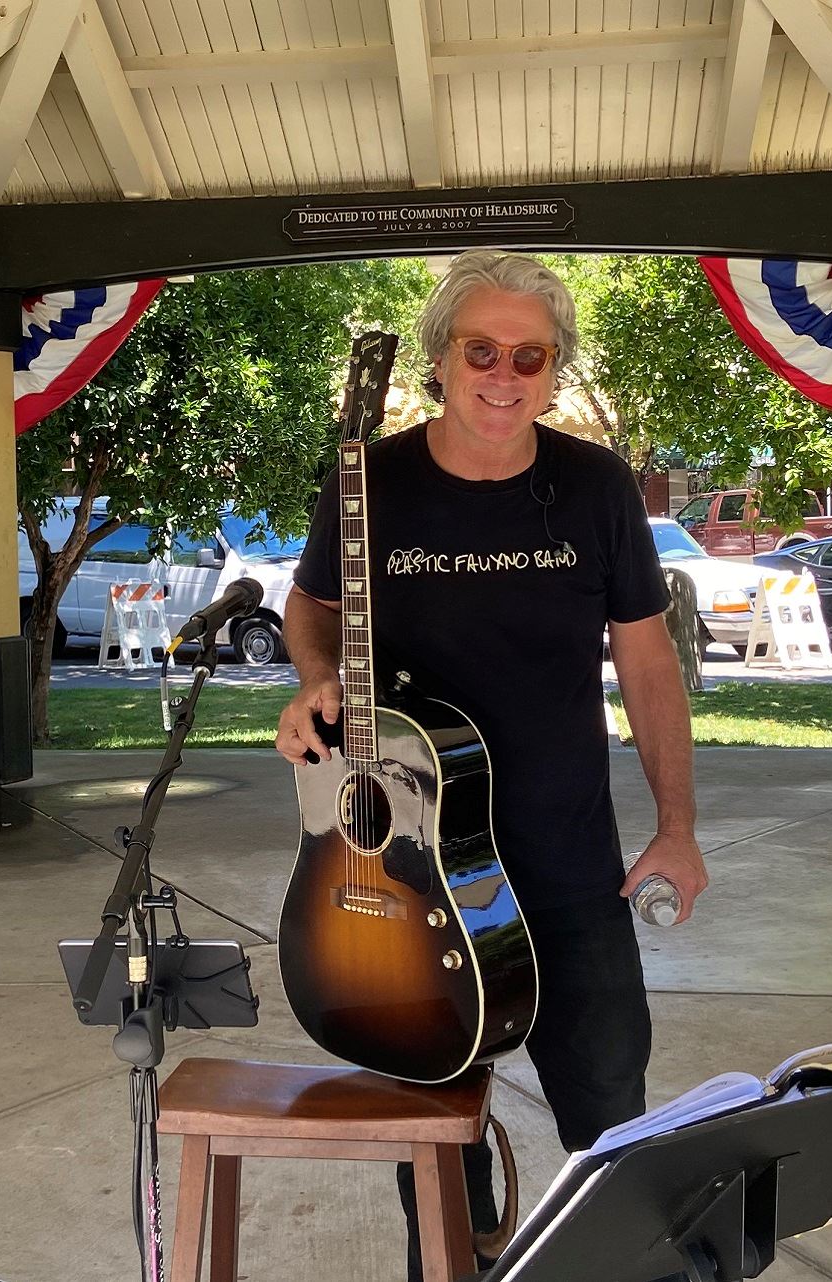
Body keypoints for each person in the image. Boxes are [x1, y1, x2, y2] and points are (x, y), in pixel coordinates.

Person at [274, 250, 708, 1278]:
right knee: (433, 1139)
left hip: (564, 867)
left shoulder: (595, 485)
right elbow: (309, 610)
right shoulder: (366, 481)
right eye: (481, 350)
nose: (503, 374)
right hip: (404, 869)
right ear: (438, 359)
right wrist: (314, 679)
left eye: (529, 355)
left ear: (552, 371)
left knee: (610, 1126)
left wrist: (677, 828)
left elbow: (646, 665)